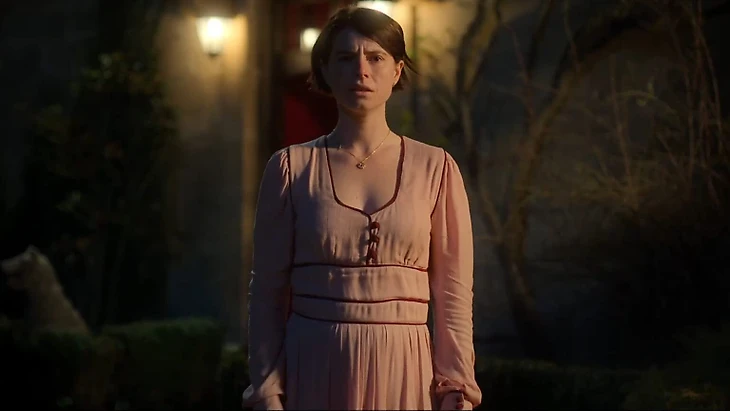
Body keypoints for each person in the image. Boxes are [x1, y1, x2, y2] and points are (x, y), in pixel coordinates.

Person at [242, 6, 481, 410]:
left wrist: (456, 385)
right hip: (314, 365)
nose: (361, 71)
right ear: (326, 70)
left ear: (397, 70)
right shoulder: (291, 168)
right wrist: (267, 390)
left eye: (375, 57)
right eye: (346, 58)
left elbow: (453, 292)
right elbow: (266, 292)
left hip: (404, 367)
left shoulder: (435, 168)